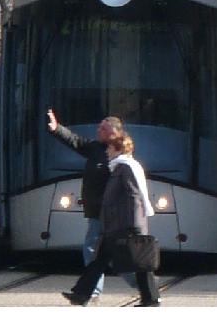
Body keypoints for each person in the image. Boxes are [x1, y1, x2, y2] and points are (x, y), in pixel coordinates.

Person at [64, 131, 160, 307]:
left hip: (124, 225)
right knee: (101, 260)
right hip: (116, 224)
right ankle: (81, 294)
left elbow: (134, 196)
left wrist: (134, 226)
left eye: (109, 148)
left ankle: (151, 298)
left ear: (118, 149)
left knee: (138, 261)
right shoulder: (120, 167)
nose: (106, 152)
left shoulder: (125, 168)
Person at [47, 109, 125, 298]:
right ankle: (91, 291)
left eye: (102, 129)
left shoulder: (119, 154)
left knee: (112, 252)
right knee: (97, 251)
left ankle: (146, 288)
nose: (98, 131)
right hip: (97, 210)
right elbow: (76, 141)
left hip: (111, 212)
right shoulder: (96, 148)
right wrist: (57, 128)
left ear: (112, 132)